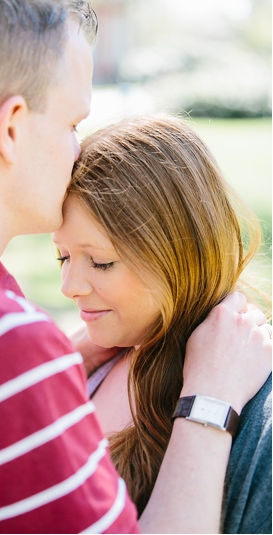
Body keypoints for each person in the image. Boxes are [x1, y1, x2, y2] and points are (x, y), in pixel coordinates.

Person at [0, 0, 271, 533]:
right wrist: (210, 406)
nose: (68, 285)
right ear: (11, 127)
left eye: (100, 261)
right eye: (73, 122)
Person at [52, 115, 271, 533]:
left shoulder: (257, 421)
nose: (69, 286)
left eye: (100, 261)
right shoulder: (94, 362)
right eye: (62, 256)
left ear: (177, 254)